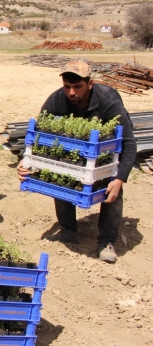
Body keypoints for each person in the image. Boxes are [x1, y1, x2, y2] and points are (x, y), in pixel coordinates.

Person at [17, 60, 136, 263]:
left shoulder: (108, 101)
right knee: (62, 174)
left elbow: (129, 144)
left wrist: (120, 179)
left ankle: (106, 240)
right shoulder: (56, 100)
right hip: (75, 146)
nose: (71, 93)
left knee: (111, 183)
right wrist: (25, 161)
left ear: (90, 84)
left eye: (77, 87)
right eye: (67, 87)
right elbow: (37, 135)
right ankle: (68, 230)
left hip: (106, 146)